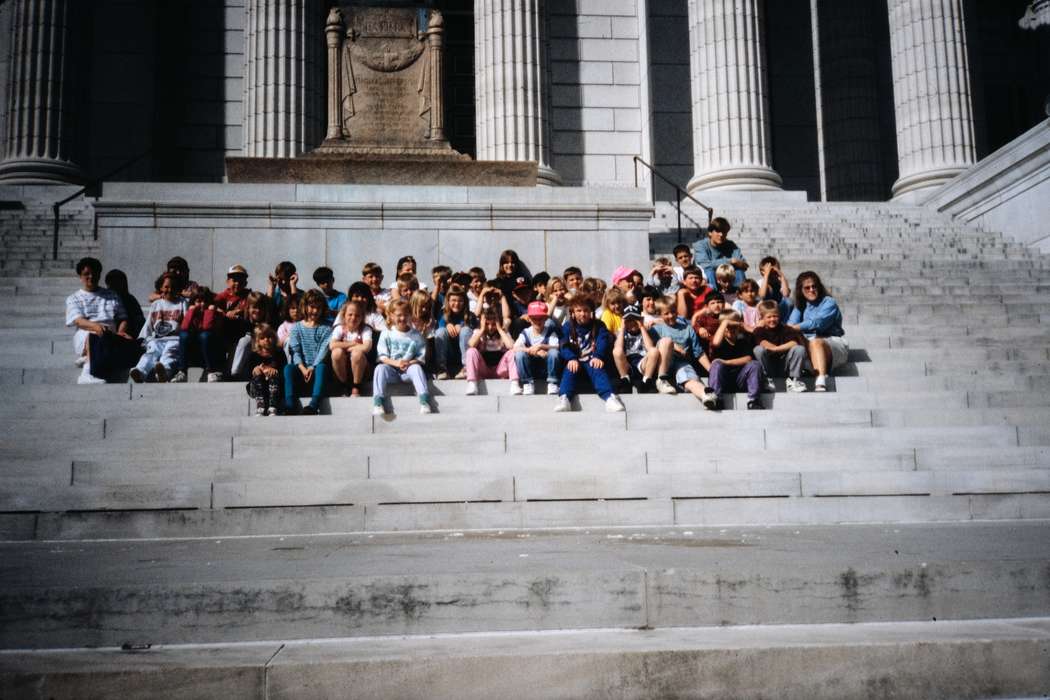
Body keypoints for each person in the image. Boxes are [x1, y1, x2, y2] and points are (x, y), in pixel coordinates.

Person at [67, 257, 131, 384]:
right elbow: (78, 321)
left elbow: (123, 318)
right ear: (80, 276)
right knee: (95, 335)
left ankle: (87, 358)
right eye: (86, 274)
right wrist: (96, 327)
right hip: (86, 333)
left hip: (110, 334)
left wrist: (120, 332)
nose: (91, 277)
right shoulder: (74, 298)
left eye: (94, 273)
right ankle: (87, 373)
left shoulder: (112, 295)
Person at [556, 296, 624, 413]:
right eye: (579, 311)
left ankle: (609, 398)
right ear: (572, 313)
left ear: (591, 312)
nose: (583, 314)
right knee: (570, 368)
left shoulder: (598, 325)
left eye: (586, 310)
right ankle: (565, 398)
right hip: (575, 360)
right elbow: (563, 345)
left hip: (591, 359)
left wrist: (598, 356)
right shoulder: (568, 326)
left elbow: (603, 341)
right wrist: (571, 358)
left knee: (597, 367)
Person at [787, 271, 847, 392]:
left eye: (814, 286)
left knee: (815, 342)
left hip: (831, 342)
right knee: (795, 341)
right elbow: (790, 324)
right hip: (809, 343)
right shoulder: (800, 305)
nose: (811, 290)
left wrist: (795, 328)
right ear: (801, 290)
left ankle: (820, 380)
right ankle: (795, 378)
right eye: (807, 288)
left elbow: (817, 322)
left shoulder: (829, 302)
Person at [649, 296, 714, 404]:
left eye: (673, 312)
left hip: (681, 363)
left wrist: (712, 370)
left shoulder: (687, 328)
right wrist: (674, 346)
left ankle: (706, 395)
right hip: (663, 363)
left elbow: (698, 352)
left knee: (689, 378)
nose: (671, 316)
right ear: (660, 314)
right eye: (666, 313)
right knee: (666, 342)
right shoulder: (656, 329)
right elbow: (650, 349)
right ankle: (662, 379)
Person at [373, 298, 432, 416]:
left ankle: (424, 401)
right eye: (399, 315)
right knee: (380, 368)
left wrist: (409, 363)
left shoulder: (416, 335)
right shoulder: (386, 333)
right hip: (392, 371)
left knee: (417, 368)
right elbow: (382, 357)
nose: (402, 318)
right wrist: (397, 363)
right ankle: (378, 403)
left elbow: (420, 357)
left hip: (408, 371)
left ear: (410, 315)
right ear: (391, 316)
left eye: (406, 315)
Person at [130, 272, 187, 383]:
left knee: (169, 353)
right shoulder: (156, 304)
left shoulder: (182, 303)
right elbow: (149, 324)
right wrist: (142, 339)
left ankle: (164, 372)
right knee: (150, 354)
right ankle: (140, 372)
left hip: (175, 339)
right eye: (166, 286)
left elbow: (187, 322)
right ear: (160, 287)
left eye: (173, 287)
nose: (169, 290)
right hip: (157, 339)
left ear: (178, 288)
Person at [283, 290, 332, 415]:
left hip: (317, 373)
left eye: (318, 308)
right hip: (302, 371)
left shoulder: (326, 328)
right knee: (288, 368)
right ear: (305, 307)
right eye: (312, 307)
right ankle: (290, 404)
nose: (315, 311)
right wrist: (302, 368)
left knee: (321, 367)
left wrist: (312, 367)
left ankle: (313, 405)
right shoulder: (297, 328)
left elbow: (323, 350)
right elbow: (296, 352)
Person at [707, 309, 764, 410]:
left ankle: (753, 400)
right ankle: (716, 399)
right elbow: (715, 343)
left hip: (740, 379)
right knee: (716, 364)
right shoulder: (719, 340)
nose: (730, 329)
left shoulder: (743, 340)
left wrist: (726, 362)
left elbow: (748, 358)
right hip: (722, 379)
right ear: (721, 327)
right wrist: (725, 323)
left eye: (733, 326)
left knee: (755, 364)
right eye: (727, 326)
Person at [752, 300, 808, 393]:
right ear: (762, 318)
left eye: (775, 316)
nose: (772, 319)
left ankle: (793, 381)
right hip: (768, 366)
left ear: (779, 316)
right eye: (769, 317)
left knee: (799, 349)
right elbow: (763, 344)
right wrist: (782, 348)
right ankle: (766, 380)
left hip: (784, 366)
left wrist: (776, 349)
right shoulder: (759, 331)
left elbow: (794, 343)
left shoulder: (786, 329)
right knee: (758, 350)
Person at [464, 309, 518, 395]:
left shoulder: (503, 333)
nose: (490, 327)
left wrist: (500, 329)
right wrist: (482, 329)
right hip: (484, 369)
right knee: (471, 351)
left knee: (512, 352)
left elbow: (511, 346)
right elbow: (471, 344)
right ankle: (472, 384)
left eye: (493, 324)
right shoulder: (478, 332)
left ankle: (515, 383)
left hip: (499, 369)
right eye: (487, 324)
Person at [513, 300, 561, 395]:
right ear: (529, 319)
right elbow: (515, 348)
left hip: (546, 367)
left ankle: (552, 383)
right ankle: (527, 383)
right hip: (531, 367)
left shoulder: (550, 332)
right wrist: (532, 350)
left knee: (554, 353)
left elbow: (557, 347)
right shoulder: (526, 332)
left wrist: (541, 346)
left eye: (541, 318)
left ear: (546, 319)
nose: (538, 322)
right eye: (535, 318)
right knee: (519, 354)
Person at [213, 264, 252, 376]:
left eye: (241, 280)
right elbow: (211, 303)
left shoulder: (249, 295)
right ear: (228, 282)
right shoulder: (222, 296)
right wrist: (221, 311)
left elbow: (257, 304)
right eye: (234, 280)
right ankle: (216, 369)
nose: (237, 283)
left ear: (246, 283)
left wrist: (239, 311)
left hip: (242, 331)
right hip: (226, 333)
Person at [329, 300, 373, 397]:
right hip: (342, 368)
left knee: (357, 353)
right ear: (344, 315)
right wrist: (353, 343)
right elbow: (332, 345)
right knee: (336, 353)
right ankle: (343, 385)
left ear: (362, 317)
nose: (353, 318)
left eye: (357, 315)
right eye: (350, 314)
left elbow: (366, 347)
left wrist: (345, 347)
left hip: (361, 369)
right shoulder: (339, 328)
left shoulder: (365, 329)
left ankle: (356, 386)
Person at [177, 286, 220, 382]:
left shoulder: (213, 313)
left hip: (209, 351)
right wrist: (191, 311)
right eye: (199, 301)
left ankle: (210, 371)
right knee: (184, 335)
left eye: (205, 301)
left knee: (205, 335)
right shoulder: (192, 312)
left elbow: (207, 327)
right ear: (193, 302)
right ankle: (182, 372)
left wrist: (210, 311)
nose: (203, 304)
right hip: (193, 351)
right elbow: (184, 327)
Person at [433, 285, 476, 380]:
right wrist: (446, 325)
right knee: (440, 331)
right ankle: (441, 369)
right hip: (449, 353)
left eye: (460, 301)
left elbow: (473, 333)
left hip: (463, 353)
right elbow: (441, 330)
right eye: (453, 300)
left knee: (465, 330)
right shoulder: (442, 314)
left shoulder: (470, 316)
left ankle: (466, 367)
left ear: (465, 302)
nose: (456, 303)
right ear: (448, 301)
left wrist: (463, 326)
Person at [613, 303, 658, 394]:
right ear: (624, 321)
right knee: (617, 351)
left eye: (635, 319)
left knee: (654, 351)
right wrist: (622, 329)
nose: (632, 322)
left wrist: (641, 327)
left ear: (640, 320)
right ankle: (625, 379)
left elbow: (650, 348)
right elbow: (618, 348)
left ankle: (646, 381)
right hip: (626, 364)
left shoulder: (645, 331)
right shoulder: (621, 332)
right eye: (629, 320)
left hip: (642, 363)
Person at [693, 216, 748, 286]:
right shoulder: (701, 245)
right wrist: (730, 261)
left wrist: (739, 264)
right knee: (709, 272)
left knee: (739, 272)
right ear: (710, 233)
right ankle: (713, 295)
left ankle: (740, 294)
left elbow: (744, 265)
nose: (721, 235)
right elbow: (704, 265)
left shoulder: (731, 245)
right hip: (708, 277)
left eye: (724, 232)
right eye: (718, 231)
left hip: (727, 277)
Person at [247, 324, 285, 416]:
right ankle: (260, 406)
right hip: (257, 386)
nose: (266, 340)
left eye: (269, 337)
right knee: (257, 373)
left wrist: (274, 370)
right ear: (257, 341)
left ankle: (272, 406)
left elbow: (283, 369)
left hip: (275, 387)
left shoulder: (279, 353)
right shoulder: (254, 355)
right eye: (262, 338)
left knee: (273, 374)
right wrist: (255, 369)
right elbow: (248, 373)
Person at [104, 269, 145, 338]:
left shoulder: (130, 300)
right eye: (111, 283)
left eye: (117, 283)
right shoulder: (105, 299)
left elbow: (139, 321)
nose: (114, 286)